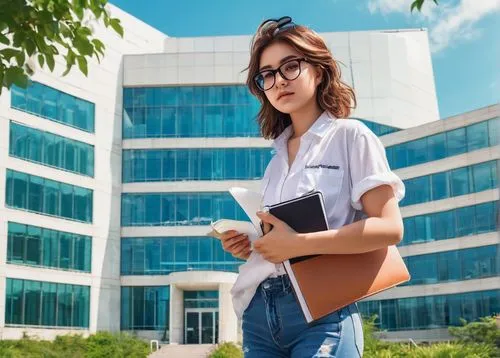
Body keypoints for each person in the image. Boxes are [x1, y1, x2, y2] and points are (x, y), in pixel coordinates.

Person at [219, 16, 405, 358]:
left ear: (318, 71)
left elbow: (390, 228)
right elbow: (283, 238)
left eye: (290, 66)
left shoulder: (351, 136)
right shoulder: (276, 160)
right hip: (260, 313)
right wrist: (254, 245)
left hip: (323, 310)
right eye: (268, 75)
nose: (278, 81)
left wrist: (296, 244)